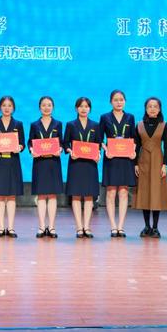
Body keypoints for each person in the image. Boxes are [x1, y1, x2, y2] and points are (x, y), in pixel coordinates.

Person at [0, 96, 25, 238]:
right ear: (0, 107)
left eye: (9, 105)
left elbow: (22, 143)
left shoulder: (18, 124)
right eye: (4, 105)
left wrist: (20, 147)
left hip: (13, 162)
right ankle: (1, 228)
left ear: (13, 108)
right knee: (0, 196)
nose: (7, 108)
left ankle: (11, 228)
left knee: (12, 196)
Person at [99, 90, 137, 238]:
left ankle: (121, 226)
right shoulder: (105, 117)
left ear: (125, 101)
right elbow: (99, 139)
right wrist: (106, 149)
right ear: (111, 102)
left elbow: (133, 138)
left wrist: (133, 151)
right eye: (116, 100)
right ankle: (113, 226)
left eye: (121, 99)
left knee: (123, 192)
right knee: (111, 192)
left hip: (126, 158)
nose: (119, 102)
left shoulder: (130, 117)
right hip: (111, 158)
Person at [133, 97, 167, 238]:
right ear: (145, 108)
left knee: (156, 193)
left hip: (157, 161)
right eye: (150, 106)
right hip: (143, 161)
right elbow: (136, 146)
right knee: (145, 194)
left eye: (155, 106)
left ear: (159, 109)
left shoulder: (164, 125)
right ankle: (146, 226)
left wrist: (165, 165)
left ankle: (155, 227)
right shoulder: (139, 125)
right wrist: (135, 164)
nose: (152, 109)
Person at [63, 97, 102, 238]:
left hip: (90, 164)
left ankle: (87, 227)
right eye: (81, 106)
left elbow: (98, 144)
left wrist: (98, 154)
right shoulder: (71, 125)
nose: (84, 109)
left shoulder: (95, 125)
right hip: (76, 163)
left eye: (86, 106)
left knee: (89, 195)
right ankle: (79, 227)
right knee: (76, 195)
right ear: (76, 108)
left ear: (90, 109)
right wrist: (70, 151)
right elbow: (65, 143)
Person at [28, 96, 63, 239]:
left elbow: (62, 142)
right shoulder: (34, 125)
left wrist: (60, 149)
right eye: (44, 105)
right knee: (41, 195)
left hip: (53, 162)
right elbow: (30, 142)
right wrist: (32, 150)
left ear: (53, 107)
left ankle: (52, 227)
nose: (46, 107)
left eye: (49, 105)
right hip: (40, 163)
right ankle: (42, 226)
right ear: (39, 107)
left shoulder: (58, 124)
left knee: (53, 195)